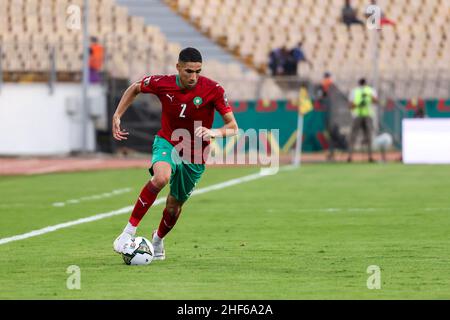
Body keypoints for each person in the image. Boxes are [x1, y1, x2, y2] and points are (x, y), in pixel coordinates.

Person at [112, 47, 239, 260]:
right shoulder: (163, 83)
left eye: (198, 71)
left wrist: (213, 132)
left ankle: (158, 240)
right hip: (168, 142)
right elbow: (135, 88)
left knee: (173, 206)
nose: (194, 76)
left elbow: (233, 126)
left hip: (195, 155)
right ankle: (127, 234)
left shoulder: (213, 90)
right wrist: (117, 114)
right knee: (161, 177)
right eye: (189, 71)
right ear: (178, 67)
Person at [347, 78, 378, 162]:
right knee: (368, 136)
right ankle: (370, 156)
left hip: (357, 115)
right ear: (366, 83)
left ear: (359, 83)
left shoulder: (354, 91)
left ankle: (350, 156)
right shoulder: (371, 90)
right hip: (368, 115)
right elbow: (375, 101)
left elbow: (350, 105)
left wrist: (358, 104)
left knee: (353, 136)